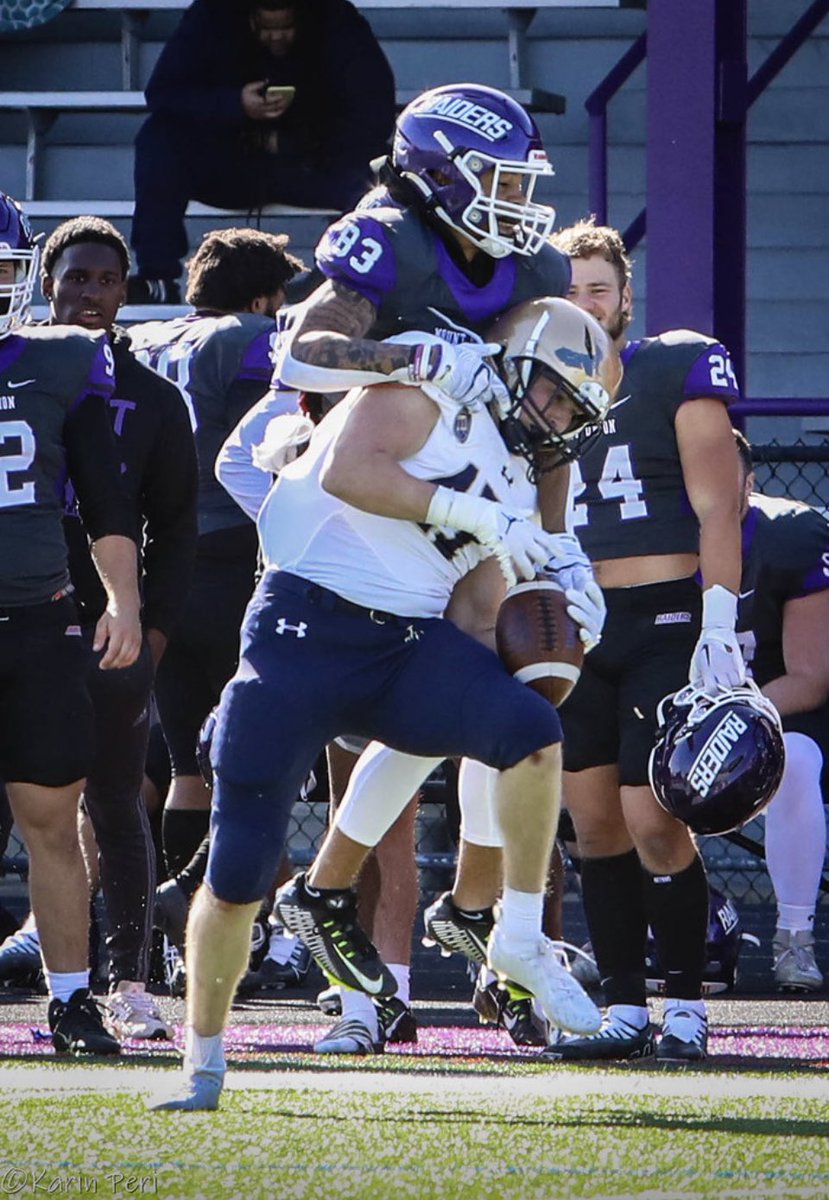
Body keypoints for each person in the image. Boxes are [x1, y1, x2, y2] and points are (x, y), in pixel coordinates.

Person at [151, 296, 618, 1111]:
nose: (556, 418)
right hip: (302, 630)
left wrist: (569, 609)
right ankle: (205, 1061)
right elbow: (350, 472)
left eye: (574, 411)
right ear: (513, 361)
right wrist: (476, 514)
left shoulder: (535, 466)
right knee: (238, 869)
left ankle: (514, 933)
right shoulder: (433, 388)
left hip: (407, 645)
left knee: (529, 728)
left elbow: (490, 604)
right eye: (552, 393)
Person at [269, 80, 573, 1037]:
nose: (518, 204)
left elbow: (546, 415)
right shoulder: (387, 237)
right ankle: (370, 930)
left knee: (497, 682)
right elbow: (302, 354)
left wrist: (555, 543)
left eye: (522, 183)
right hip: (354, 489)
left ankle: (465, 909)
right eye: (499, 181)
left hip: (459, 496)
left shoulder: (530, 267)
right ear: (441, 174)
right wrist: (410, 358)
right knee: (412, 700)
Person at [539, 218, 745, 1063]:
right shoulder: (536, 385)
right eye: (569, 290)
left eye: (598, 288)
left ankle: (686, 1002)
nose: (584, 303)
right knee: (592, 824)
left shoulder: (672, 366)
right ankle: (623, 1004)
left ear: (625, 296)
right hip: (575, 620)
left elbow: (719, 507)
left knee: (650, 813)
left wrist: (719, 620)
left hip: (663, 615)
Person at [40, 216, 197, 1036]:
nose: (90, 293)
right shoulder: (17, 377)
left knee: (114, 800)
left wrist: (151, 630)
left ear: (127, 292)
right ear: (46, 284)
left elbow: (175, 528)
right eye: (76, 277)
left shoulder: (155, 399)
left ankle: (127, 983)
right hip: (21, 620)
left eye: (105, 280)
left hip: (108, 629)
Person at [0, 193, 141, 1055]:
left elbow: (104, 496)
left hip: (36, 621)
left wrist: (123, 599)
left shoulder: (60, 360)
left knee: (52, 819)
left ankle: (71, 1000)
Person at [128, 227, 303, 899]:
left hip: (157, 559)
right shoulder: (250, 336)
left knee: (186, 766)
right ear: (262, 298)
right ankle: (240, 918)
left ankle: (184, 925)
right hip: (230, 554)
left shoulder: (148, 337)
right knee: (251, 759)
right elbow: (271, 437)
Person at [128, 0, 395, 303]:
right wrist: (235, 104)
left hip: (313, 165)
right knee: (159, 138)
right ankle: (158, 278)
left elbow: (375, 112)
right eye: (265, 28)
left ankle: (341, 277)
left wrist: (299, 140)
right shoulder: (212, 15)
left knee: (380, 171)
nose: (276, 36)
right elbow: (164, 94)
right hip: (234, 162)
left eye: (286, 27)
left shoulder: (336, 20)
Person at [734, 430, 829, 991]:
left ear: (749, 483)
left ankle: (795, 935)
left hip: (781, 710)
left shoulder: (789, 535)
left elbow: (810, 680)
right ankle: (653, 929)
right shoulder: (656, 539)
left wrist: (730, 718)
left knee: (794, 760)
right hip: (684, 708)